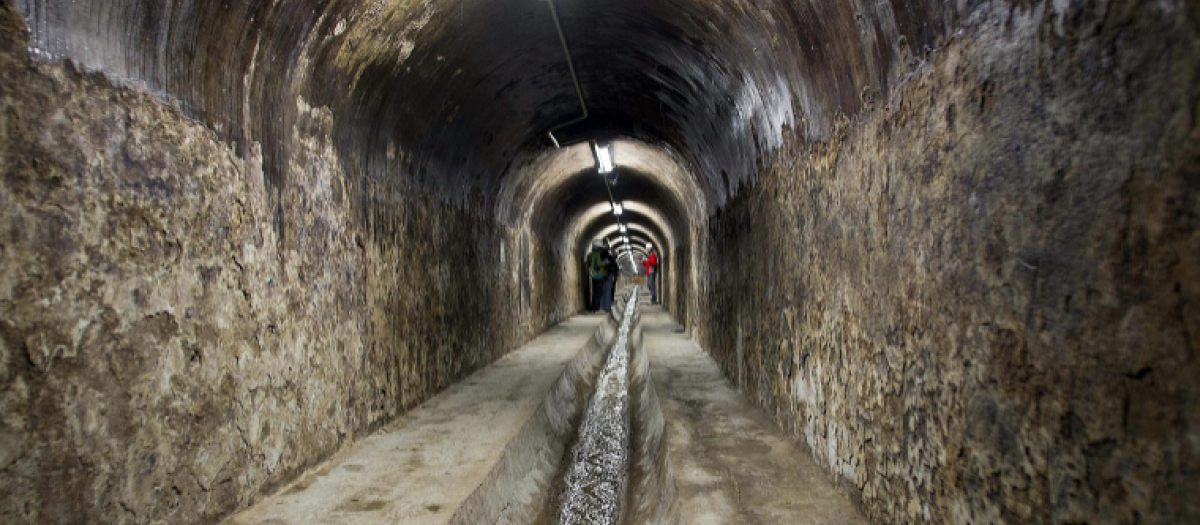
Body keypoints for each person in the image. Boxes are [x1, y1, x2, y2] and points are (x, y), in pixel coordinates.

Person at [586, 241, 609, 312]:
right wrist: (605, 262)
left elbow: (589, 264)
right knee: (599, 292)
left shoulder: (589, 255)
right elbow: (599, 264)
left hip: (592, 274)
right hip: (599, 274)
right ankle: (596, 307)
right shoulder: (597, 255)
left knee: (594, 291)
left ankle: (593, 306)